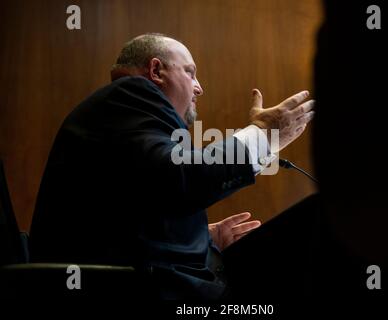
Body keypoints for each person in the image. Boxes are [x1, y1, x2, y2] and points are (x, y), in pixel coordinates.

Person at [29, 33, 314, 299]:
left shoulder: (120, 116)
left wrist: (205, 238)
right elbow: (179, 177)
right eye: (190, 72)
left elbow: (137, 203)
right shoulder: (131, 95)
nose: (199, 88)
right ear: (156, 71)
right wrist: (262, 134)